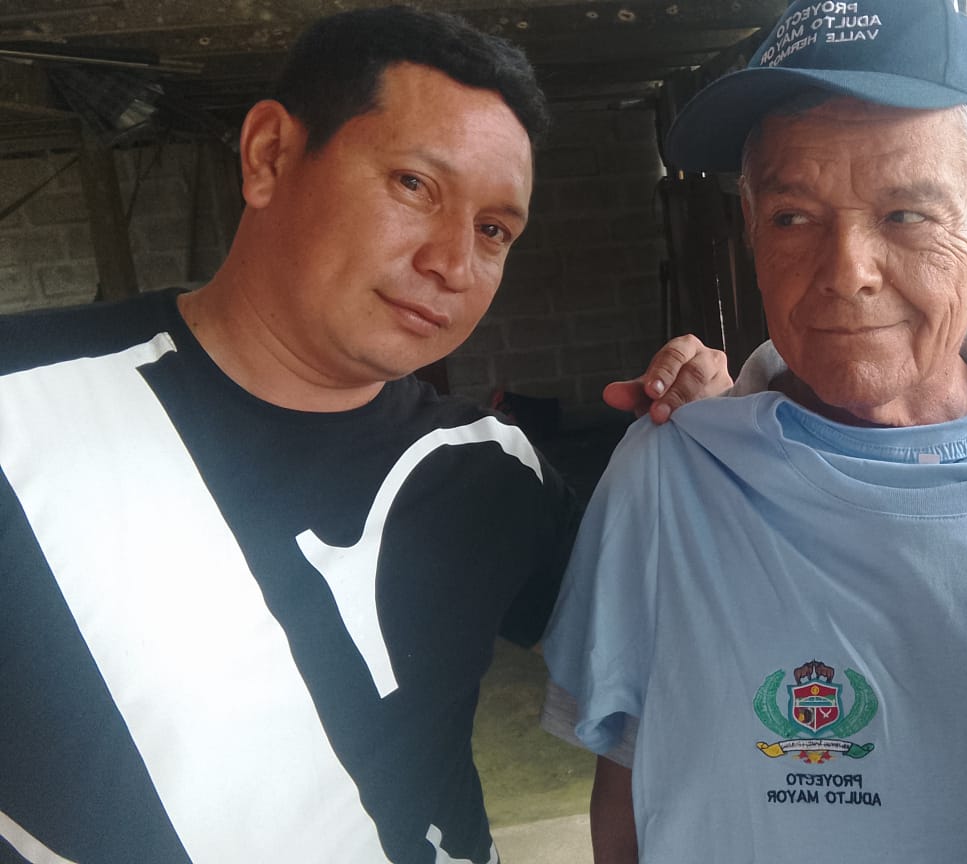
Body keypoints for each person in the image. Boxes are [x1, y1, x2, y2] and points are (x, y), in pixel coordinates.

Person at [0, 8, 730, 864]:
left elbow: (688, 643)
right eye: (415, 185)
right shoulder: (24, 406)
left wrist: (723, 455)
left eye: (493, 230)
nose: (451, 264)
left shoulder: (486, 469)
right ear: (269, 156)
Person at [538, 1, 967, 860]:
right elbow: (628, 789)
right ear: (750, 228)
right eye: (793, 217)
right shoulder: (673, 478)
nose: (847, 273)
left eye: (905, 215)